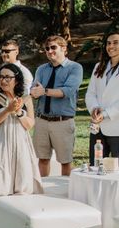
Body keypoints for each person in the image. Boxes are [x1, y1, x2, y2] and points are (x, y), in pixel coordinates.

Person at [0, 64, 43, 207]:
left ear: (17, 80)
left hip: (21, 143)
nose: (3, 80)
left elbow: (29, 124)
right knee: (0, 175)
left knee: (22, 174)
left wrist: (20, 113)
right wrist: (7, 110)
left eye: (8, 77)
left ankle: (20, 210)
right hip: (1, 143)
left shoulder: (26, 99)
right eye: (1, 77)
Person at [30, 35, 83, 176]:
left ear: (64, 48)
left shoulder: (75, 68)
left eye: (53, 47)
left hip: (62, 121)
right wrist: (34, 92)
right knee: (42, 159)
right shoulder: (41, 69)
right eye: (47, 48)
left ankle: (65, 191)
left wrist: (44, 91)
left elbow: (68, 91)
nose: (49, 51)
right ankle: (42, 191)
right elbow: (34, 88)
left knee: (65, 161)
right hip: (41, 120)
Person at [85, 31, 119, 163]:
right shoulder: (98, 67)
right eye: (108, 43)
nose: (111, 46)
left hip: (116, 127)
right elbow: (90, 93)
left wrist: (104, 114)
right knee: (95, 166)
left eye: (116, 43)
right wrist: (94, 109)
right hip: (97, 128)